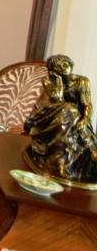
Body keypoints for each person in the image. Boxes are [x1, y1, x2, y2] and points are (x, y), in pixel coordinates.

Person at [25, 54, 97, 184]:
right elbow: (56, 100)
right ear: (53, 71)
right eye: (58, 67)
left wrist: (85, 119)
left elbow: (87, 105)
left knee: (72, 113)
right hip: (55, 114)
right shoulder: (50, 82)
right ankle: (59, 160)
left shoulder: (82, 82)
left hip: (74, 118)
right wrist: (57, 84)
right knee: (69, 109)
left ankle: (64, 159)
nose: (64, 68)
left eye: (66, 64)